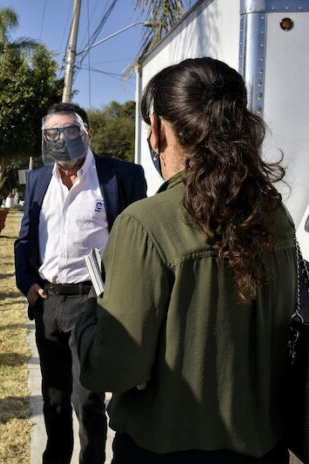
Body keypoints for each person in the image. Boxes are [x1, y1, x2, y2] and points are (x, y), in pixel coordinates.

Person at [74, 57, 294, 463]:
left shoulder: (145, 223)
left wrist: (90, 315)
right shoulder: (275, 215)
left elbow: (114, 368)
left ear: (157, 130)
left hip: (163, 450)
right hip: (267, 448)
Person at [14, 102, 147, 464]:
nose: (61, 139)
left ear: (87, 133)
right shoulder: (40, 179)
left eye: (69, 131)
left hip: (93, 302)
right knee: (54, 397)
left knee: (88, 398)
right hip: (48, 301)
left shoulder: (120, 176)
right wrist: (26, 284)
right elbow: (25, 239)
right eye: (52, 133)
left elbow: (136, 241)